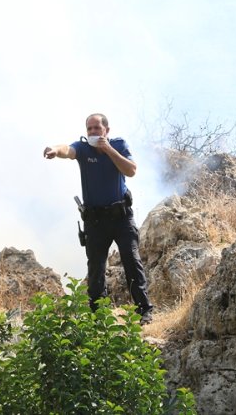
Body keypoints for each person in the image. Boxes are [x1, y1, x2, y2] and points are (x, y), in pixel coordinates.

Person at [43, 112, 155, 324]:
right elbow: (67, 150)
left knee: (131, 261)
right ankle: (98, 317)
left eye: (97, 128)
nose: (93, 132)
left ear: (106, 130)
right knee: (95, 268)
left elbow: (131, 171)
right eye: (90, 129)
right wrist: (54, 151)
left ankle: (144, 310)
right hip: (95, 221)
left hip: (121, 217)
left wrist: (107, 149)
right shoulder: (83, 148)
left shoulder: (119, 145)